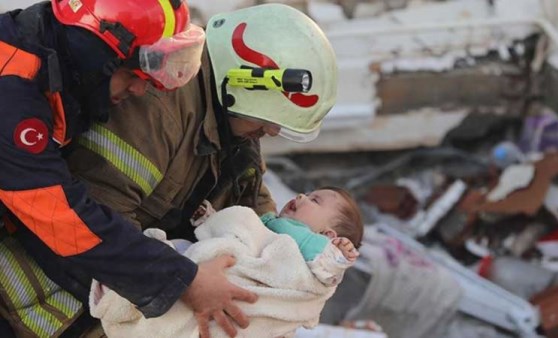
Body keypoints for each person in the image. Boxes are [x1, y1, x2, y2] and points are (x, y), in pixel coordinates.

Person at [65, 3, 338, 336]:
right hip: (50, 310)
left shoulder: (235, 122)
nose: (271, 132)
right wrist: (186, 280)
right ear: (244, 81)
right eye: (268, 122)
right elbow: (97, 219)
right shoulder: (159, 109)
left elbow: (253, 209)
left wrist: (307, 263)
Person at [0, 0, 250, 337]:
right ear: (93, 53)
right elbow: (59, 215)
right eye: (131, 74)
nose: (139, 89)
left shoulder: (49, 60)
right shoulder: (14, 91)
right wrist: (182, 280)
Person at [89, 186, 363, 338]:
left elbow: (327, 274)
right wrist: (212, 219)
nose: (302, 196)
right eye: (306, 192)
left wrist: (337, 255)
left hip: (249, 292)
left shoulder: (311, 245)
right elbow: (237, 230)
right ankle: (127, 296)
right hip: (228, 268)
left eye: (314, 200)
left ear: (328, 234)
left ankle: (123, 296)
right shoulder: (269, 224)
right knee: (182, 254)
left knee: (180, 261)